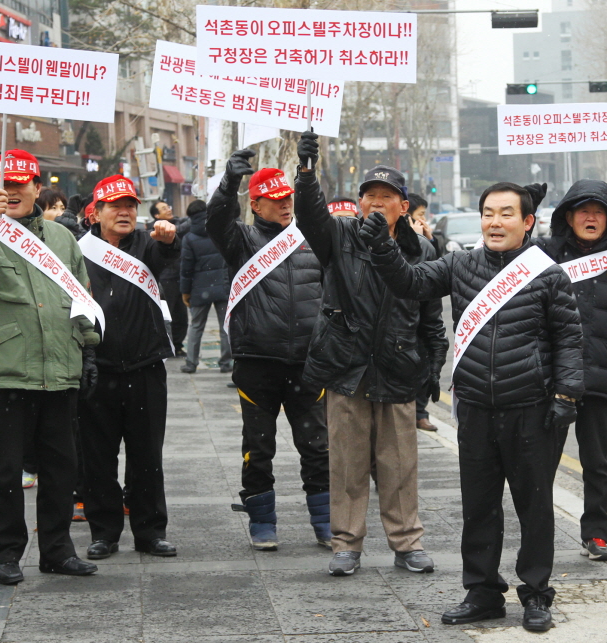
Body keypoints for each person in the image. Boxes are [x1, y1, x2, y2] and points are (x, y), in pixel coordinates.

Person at [359, 180, 583, 631]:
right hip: (477, 407)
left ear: (527, 222)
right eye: (488, 213)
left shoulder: (548, 274)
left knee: (534, 506)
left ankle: (537, 594)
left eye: (505, 214)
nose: (495, 222)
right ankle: (482, 591)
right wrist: (382, 247)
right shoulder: (460, 264)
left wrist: (566, 395)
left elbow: (569, 339)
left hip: (532, 408)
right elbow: (411, 282)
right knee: (479, 506)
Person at [294, 133, 449, 577]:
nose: (377, 203)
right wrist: (307, 173)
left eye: (387, 197)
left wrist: (434, 361)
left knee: (399, 464)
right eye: (370, 196)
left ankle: (407, 543)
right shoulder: (339, 235)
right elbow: (309, 216)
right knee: (347, 464)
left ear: (404, 205)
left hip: (398, 368)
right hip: (347, 367)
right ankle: (346, 544)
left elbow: (430, 316)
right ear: (360, 203)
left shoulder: (421, 249)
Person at [0, 149, 100, 585]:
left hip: (59, 369)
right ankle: (4, 555)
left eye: (21, 184)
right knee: (3, 471)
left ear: (37, 187)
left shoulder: (61, 238)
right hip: (6, 370)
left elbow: (80, 299)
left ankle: (57, 550)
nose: (12, 191)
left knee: (60, 468)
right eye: (5, 184)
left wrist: (88, 350)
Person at [206, 153, 330, 551]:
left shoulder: (311, 238)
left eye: (287, 197)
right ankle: (262, 522)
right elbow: (216, 221)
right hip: (258, 363)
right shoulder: (241, 240)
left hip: (308, 364)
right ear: (255, 204)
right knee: (258, 448)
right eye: (274, 198)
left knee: (316, 447)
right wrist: (228, 183)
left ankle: (326, 522)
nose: (285, 203)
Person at [536, 180, 607, 561]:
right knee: (542, 460)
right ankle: (539, 532)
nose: (590, 217)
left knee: (596, 462)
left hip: (598, 380)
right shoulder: (542, 256)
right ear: (568, 216)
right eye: (583, 210)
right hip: (550, 379)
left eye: (598, 211)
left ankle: (596, 534)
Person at [77, 175, 178, 561]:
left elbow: (168, 254)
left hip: (145, 367)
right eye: (115, 206)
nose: (124, 212)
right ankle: (104, 532)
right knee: (98, 457)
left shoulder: (148, 244)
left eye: (130, 205)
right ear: (96, 212)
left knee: (147, 456)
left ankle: (151, 531)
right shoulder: (79, 250)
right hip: (97, 369)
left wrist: (170, 239)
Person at [179, 200, 231, 375]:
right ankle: (226, 363)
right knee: (226, 327)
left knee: (196, 326)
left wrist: (185, 292)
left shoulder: (189, 238)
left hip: (199, 289)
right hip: (223, 286)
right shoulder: (220, 231)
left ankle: (191, 363)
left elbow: (186, 269)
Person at [406, 192, 440, 432]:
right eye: (419, 217)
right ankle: (414, 411)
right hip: (400, 319)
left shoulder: (426, 246)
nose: (424, 221)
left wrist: (429, 243)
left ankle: (420, 411)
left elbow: (439, 276)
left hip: (420, 316)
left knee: (424, 364)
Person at [149, 200, 190, 356]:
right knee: (168, 314)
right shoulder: (155, 230)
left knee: (182, 315)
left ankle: (178, 345)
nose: (168, 210)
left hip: (179, 276)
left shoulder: (179, 223)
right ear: (156, 215)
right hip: (166, 278)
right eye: (163, 209)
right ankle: (168, 345)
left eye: (168, 207)